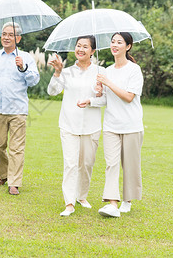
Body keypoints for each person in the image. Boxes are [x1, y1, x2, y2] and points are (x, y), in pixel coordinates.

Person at [80, 32, 144, 217]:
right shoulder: (106, 70)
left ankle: (127, 201)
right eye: (113, 42)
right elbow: (107, 100)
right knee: (111, 164)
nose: (114, 45)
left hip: (131, 126)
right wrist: (94, 98)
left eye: (119, 42)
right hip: (110, 126)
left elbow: (128, 97)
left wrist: (108, 82)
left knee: (130, 165)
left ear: (128, 46)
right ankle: (112, 203)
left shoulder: (134, 70)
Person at [0, 22, 40, 195]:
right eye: (4, 34)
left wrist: (23, 68)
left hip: (18, 109)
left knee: (17, 148)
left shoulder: (25, 58)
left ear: (18, 38)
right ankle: (4, 174)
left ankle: (14, 182)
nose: (6, 37)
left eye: (10, 35)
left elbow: (34, 80)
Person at [47, 35, 106, 216]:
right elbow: (52, 91)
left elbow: (105, 100)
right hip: (68, 124)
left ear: (93, 51)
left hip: (91, 126)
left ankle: (82, 196)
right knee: (71, 164)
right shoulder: (67, 71)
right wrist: (57, 72)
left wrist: (92, 99)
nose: (80, 49)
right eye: (78, 46)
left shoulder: (101, 72)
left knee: (87, 164)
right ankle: (69, 203)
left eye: (85, 47)